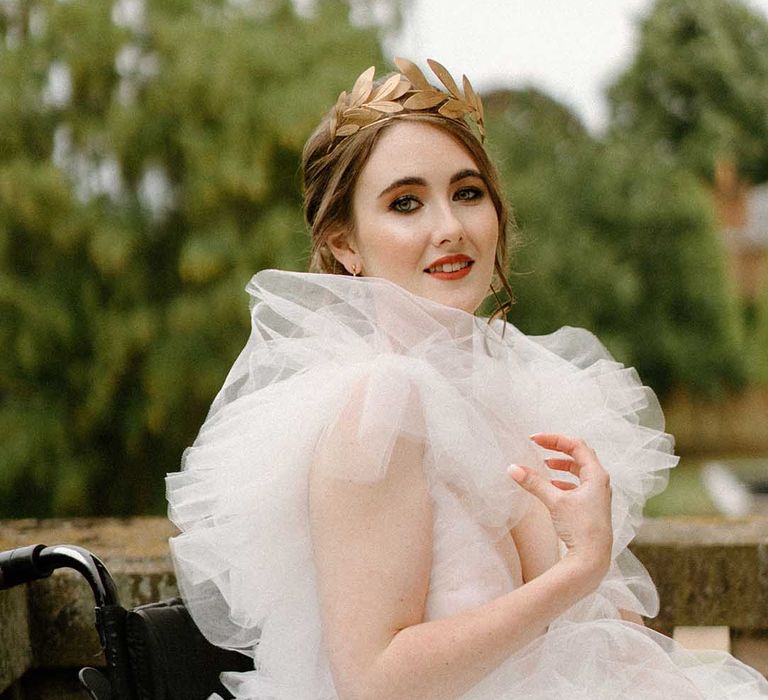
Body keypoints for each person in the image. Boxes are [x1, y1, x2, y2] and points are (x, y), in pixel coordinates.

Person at [166, 59, 768, 699]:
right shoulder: (378, 405)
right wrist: (579, 568)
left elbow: (605, 641)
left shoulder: (518, 386)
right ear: (346, 244)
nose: (449, 227)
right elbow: (373, 682)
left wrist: (591, 563)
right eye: (405, 203)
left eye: (467, 192)